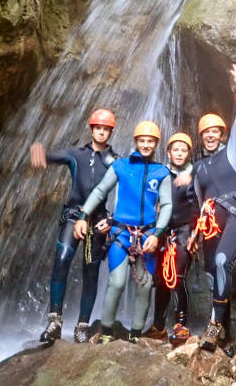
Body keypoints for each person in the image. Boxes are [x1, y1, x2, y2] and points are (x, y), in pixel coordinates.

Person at [74, 121, 173, 344]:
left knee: (145, 285)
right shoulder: (121, 166)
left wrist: (157, 234)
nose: (146, 145)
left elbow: (166, 205)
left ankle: (136, 334)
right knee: (117, 282)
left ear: (156, 144)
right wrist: (83, 216)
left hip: (147, 235)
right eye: (142, 141)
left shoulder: (162, 172)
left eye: (150, 141)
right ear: (135, 142)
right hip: (121, 234)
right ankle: (107, 330)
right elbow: (100, 191)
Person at [30, 108, 119, 344]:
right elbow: (53, 156)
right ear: (92, 129)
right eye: (98, 128)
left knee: (91, 273)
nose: (101, 132)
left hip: (98, 220)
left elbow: (127, 192)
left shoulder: (116, 162)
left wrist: (111, 220)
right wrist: (42, 156)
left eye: (106, 129)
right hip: (73, 214)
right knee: (62, 259)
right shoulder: (76, 154)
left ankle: (82, 326)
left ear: (111, 132)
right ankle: (55, 321)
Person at [188, 64, 236, 356]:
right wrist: (193, 234)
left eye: (216, 131)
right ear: (202, 137)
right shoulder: (198, 167)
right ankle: (223, 340)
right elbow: (196, 202)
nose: (211, 135)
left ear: (222, 134)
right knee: (214, 275)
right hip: (210, 224)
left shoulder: (231, 152)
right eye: (207, 133)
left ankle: (214, 326)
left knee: (222, 259)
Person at [144, 133, 197, 345]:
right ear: (168, 152)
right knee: (161, 280)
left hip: (185, 230)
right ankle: (158, 326)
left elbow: (199, 206)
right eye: (176, 149)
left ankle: (181, 325)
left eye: (184, 150)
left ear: (188, 154)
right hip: (163, 231)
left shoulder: (195, 175)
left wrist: (196, 234)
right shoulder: (161, 173)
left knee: (178, 276)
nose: (179, 153)